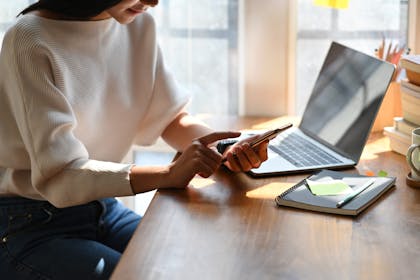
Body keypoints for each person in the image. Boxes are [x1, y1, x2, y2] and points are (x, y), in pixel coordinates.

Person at [0, 0, 269, 279]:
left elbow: (171, 119)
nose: (154, 1)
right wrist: (167, 173)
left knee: (196, 262)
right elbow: (60, 175)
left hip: (103, 207)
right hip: (29, 224)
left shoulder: (137, 24)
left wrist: (227, 148)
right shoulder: (29, 40)